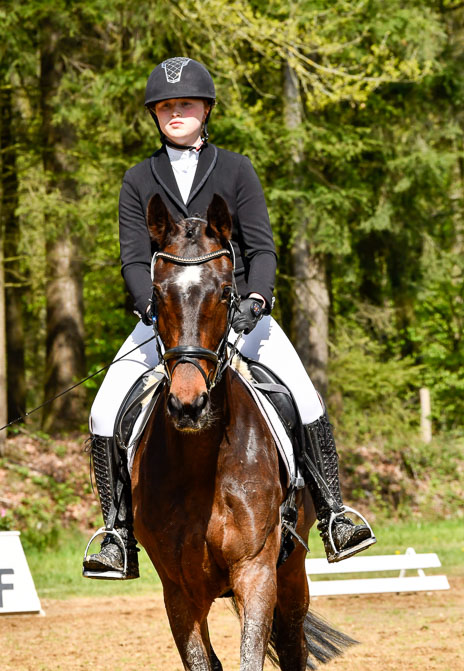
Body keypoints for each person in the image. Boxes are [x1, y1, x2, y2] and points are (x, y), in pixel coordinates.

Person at [83, 57, 376, 580]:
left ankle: (334, 515)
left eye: (185, 104)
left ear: (205, 109)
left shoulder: (236, 168)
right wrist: (150, 307)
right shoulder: (136, 179)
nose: (176, 112)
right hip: (169, 322)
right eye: (166, 106)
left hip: (237, 315)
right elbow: (132, 258)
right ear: (155, 114)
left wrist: (256, 300)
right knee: (104, 412)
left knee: (305, 398)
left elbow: (261, 249)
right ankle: (117, 535)